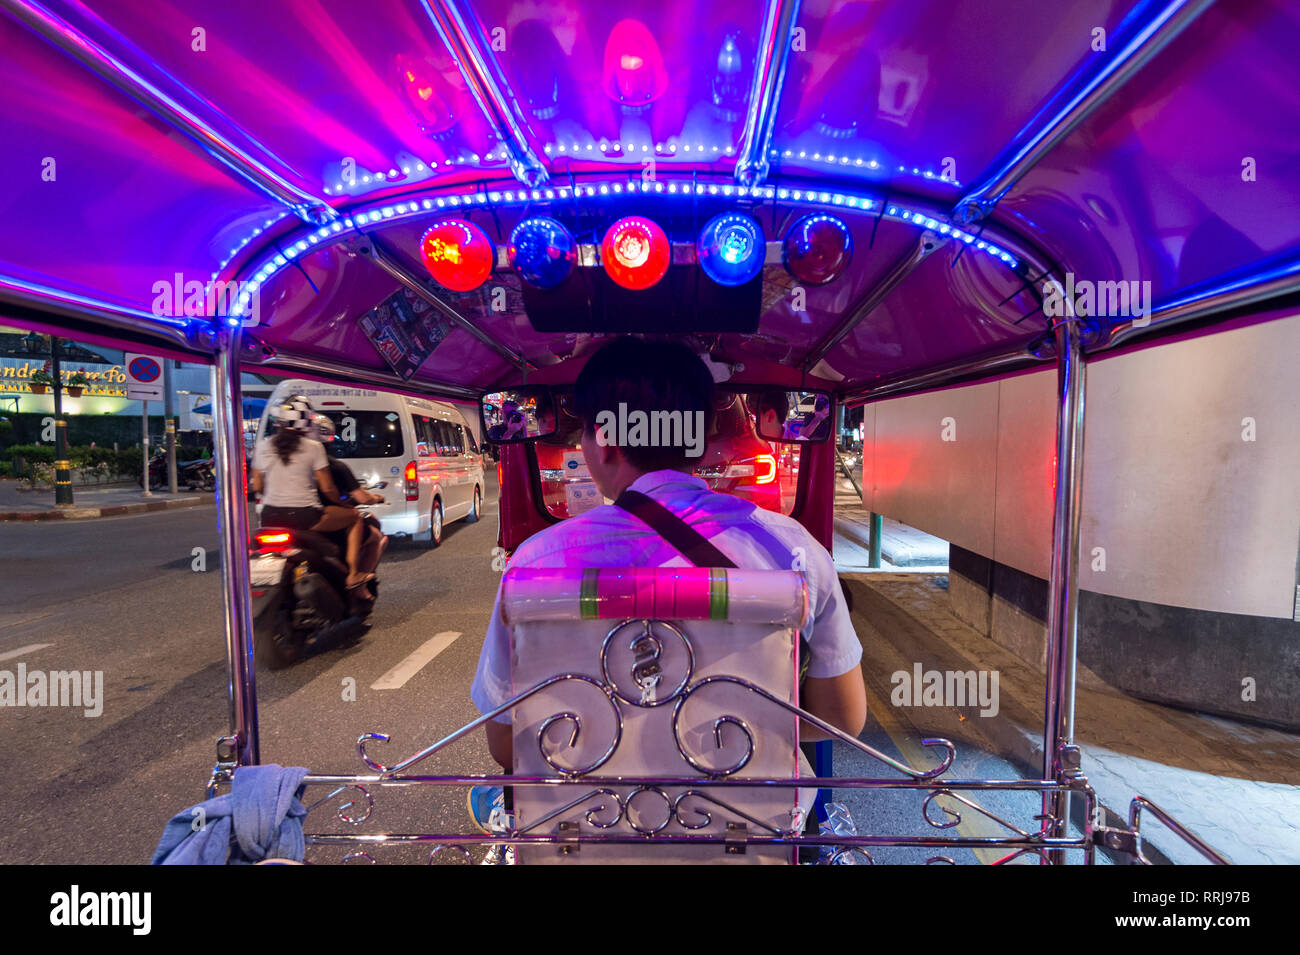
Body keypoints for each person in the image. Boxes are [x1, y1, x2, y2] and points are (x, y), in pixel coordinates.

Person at [467, 338, 868, 830]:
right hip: (749, 833)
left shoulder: (536, 564)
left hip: (587, 833)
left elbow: (507, 744)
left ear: (606, 439)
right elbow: (844, 717)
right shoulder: (794, 552)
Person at [249, 396, 370, 589]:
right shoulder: (313, 448)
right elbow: (328, 488)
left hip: (270, 516)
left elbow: (257, 486)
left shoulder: (263, 446)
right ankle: (353, 574)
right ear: (307, 421)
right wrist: (342, 504)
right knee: (355, 517)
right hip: (305, 517)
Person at [310, 414, 388, 579]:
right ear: (331, 438)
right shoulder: (335, 466)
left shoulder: (290, 461)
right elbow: (358, 497)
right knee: (369, 531)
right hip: (318, 518)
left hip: (281, 518)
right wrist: (375, 498)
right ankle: (354, 577)